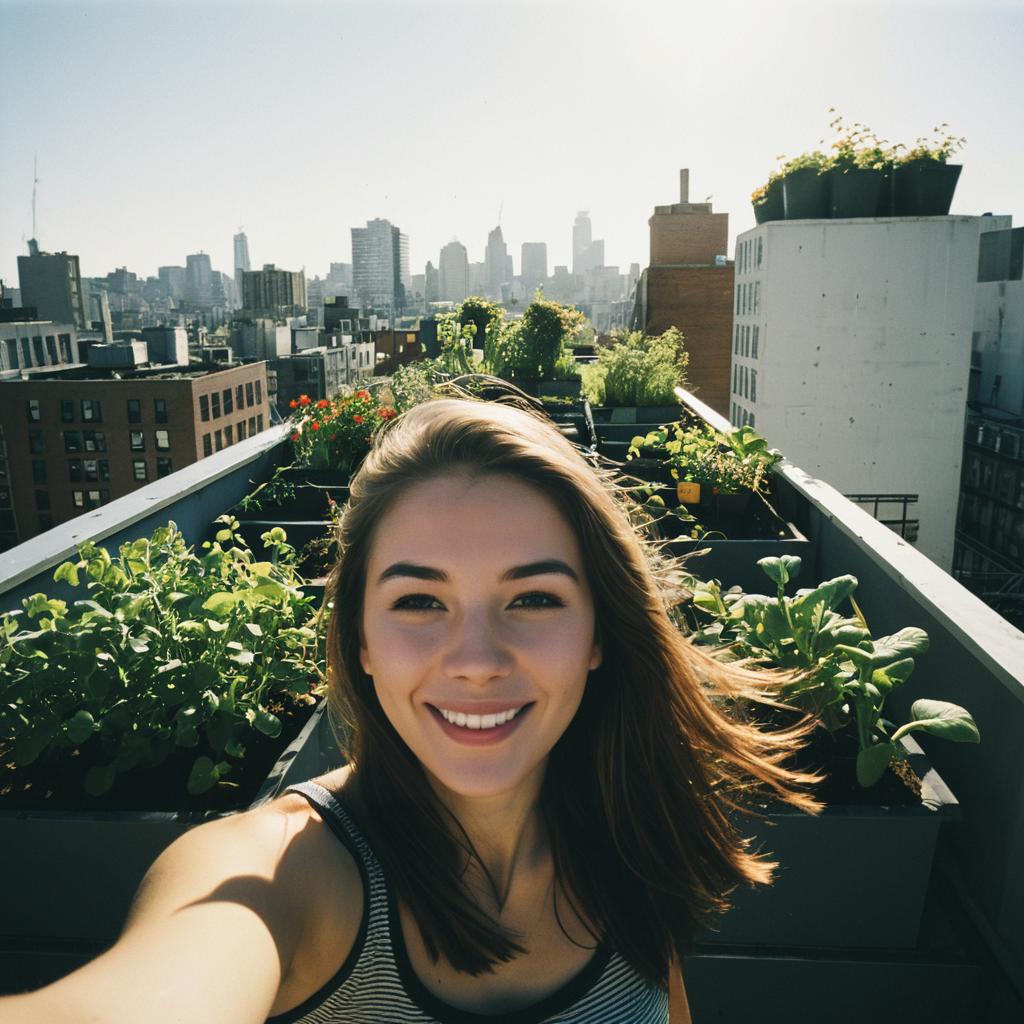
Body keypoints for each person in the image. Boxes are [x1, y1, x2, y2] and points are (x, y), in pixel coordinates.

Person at [2, 391, 822, 1024]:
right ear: (360, 640)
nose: (474, 661)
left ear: (600, 632)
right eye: (419, 603)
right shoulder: (279, 874)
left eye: (533, 599)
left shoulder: (631, 823)